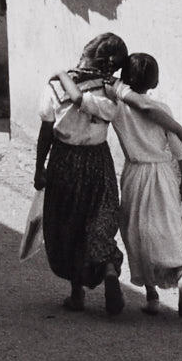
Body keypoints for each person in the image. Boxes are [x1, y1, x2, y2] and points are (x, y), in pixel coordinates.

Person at [56, 52, 182, 316]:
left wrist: (64, 76)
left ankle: (152, 296)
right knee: (166, 229)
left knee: (137, 233)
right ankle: (181, 275)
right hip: (163, 175)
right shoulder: (163, 111)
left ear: (124, 78)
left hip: (135, 174)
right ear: (154, 83)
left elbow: (81, 102)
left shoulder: (118, 108)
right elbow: (180, 152)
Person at [33, 33, 128, 314]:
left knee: (68, 224)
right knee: (99, 219)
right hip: (99, 159)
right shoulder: (110, 89)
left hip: (65, 162)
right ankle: (109, 268)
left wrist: (40, 167)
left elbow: (46, 130)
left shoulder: (57, 84)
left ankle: (76, 294)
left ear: (86, 51)